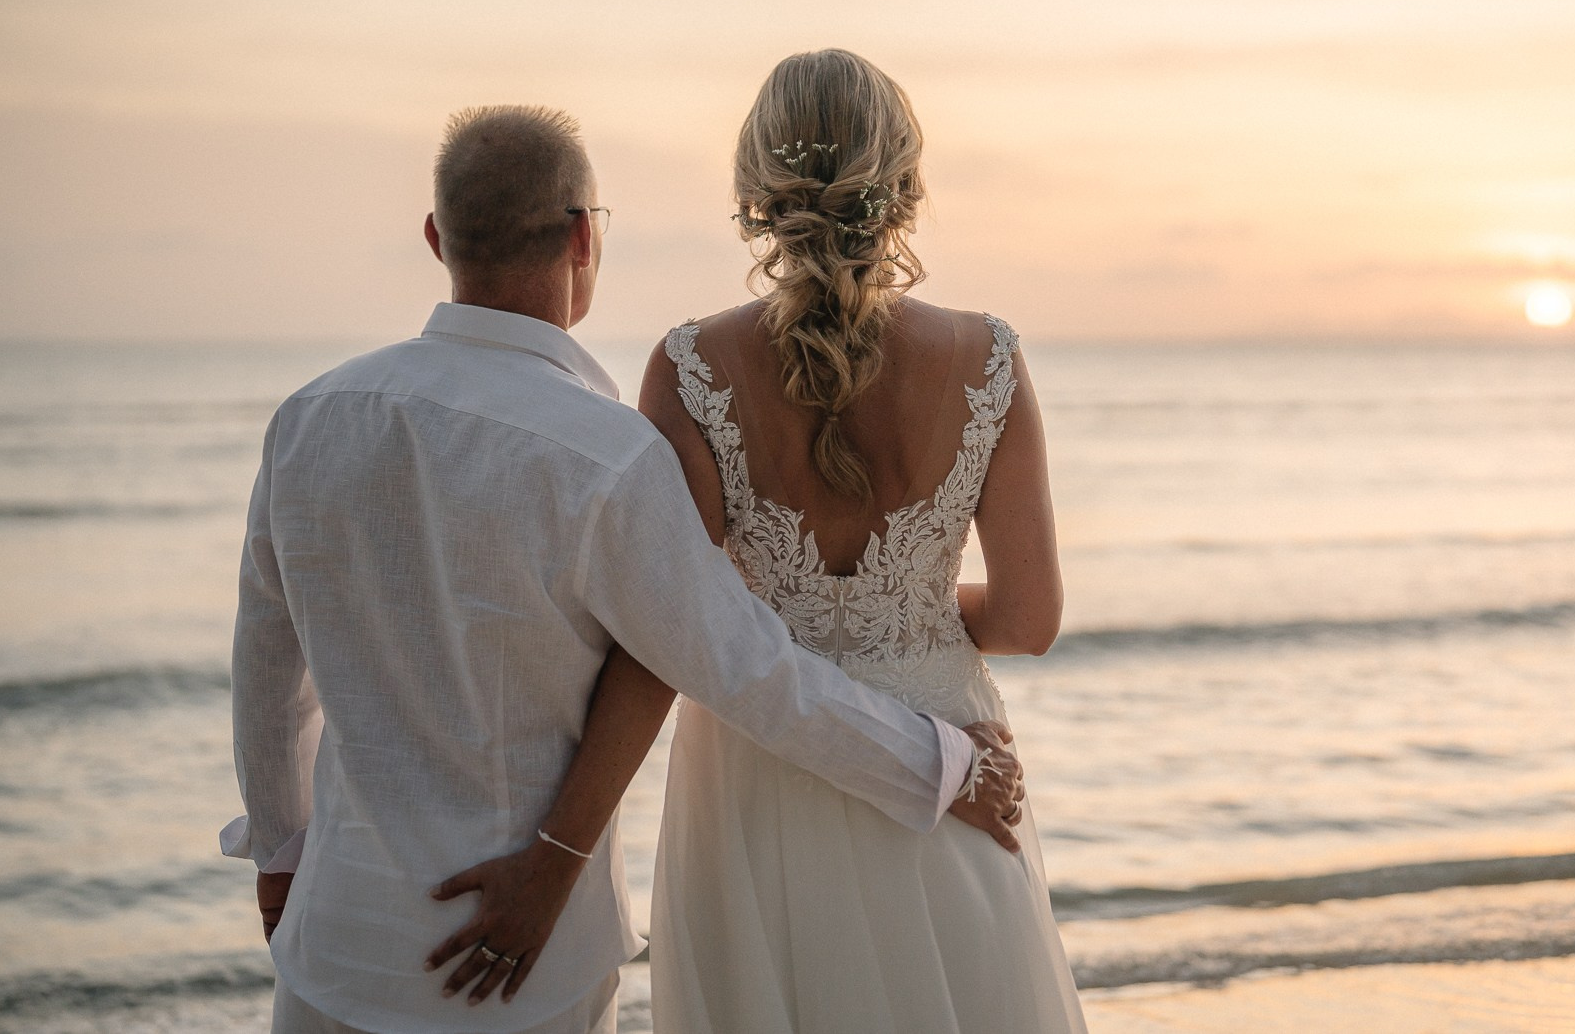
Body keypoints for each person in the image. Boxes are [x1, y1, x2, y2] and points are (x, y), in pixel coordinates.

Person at [224, 104, 1025, 1034]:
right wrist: (941, 763)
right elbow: (745, 667)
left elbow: (269, 673)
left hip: (336, 946)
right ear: (580, 237)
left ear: (438, 236)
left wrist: (279, 854)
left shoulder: (312, 418)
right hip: (521, 960)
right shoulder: (605, 457)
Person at [451, 50, 1088, 1032]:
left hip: (755, 781)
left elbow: (661, 636)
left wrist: (558, 854)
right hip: (950, 755)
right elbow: (1027, 619)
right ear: (903, 184)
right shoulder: (987, 358)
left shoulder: (691, 366)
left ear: (755, 191)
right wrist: (906, 611)